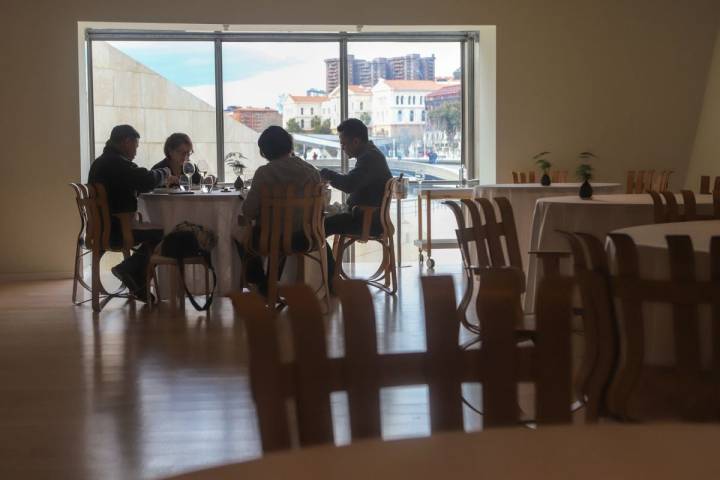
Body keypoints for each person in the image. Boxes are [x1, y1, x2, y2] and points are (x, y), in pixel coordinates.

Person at [88, 124, 178, 301]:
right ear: (127, 142)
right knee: (165, 232)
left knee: (157, 232)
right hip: (116, 231)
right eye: (135, 146)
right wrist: (166, 171)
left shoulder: (102, 162)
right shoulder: (116, 163)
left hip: (100, 229)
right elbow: (145, 180)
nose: (136, 151)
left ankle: (136, 279)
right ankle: (129, 270)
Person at [235, 126, 321, 297]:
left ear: (265, 151)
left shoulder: (264, 173)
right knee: (277, 238)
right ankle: (269, 283)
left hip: (269, 240)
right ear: (289, 145)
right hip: (306, 238)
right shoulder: (312, 172)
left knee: (239, 232)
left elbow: (249, 211)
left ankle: (260, 280)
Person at [319, 118, 392, 279]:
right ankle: (329, 276)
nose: (342, 148)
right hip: (369, 218)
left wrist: (326, 173)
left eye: (343, 144)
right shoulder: (372, 155)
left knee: (317, 228)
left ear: (356, 141)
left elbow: (349, 185)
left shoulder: (368, 159)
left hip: (366, 221)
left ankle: (328, 278)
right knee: (320, 225)